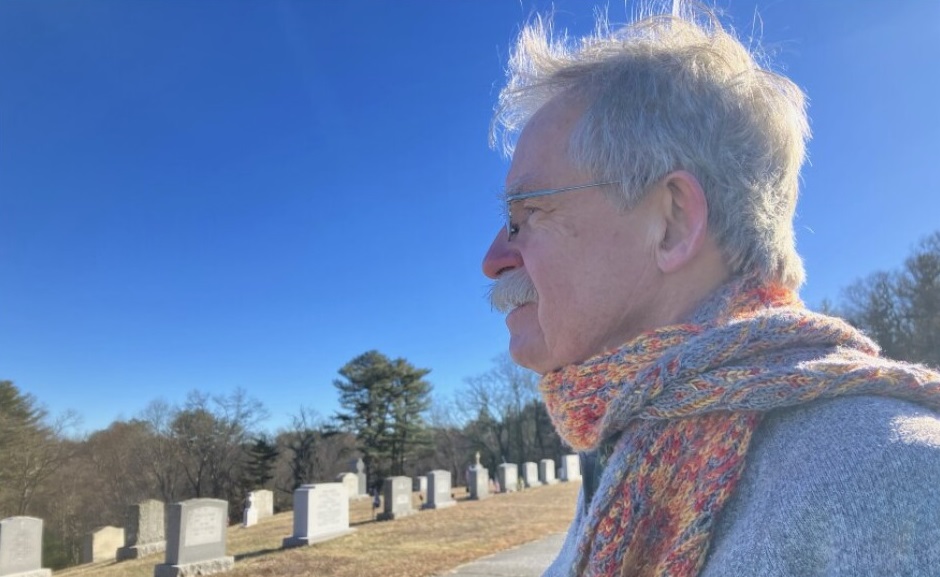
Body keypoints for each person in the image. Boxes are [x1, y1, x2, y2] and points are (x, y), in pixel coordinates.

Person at [481, 4, 940, 577]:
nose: (493, 260)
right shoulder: (635, 455)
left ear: (671, 222)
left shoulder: (906, 483)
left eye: (527, 214)